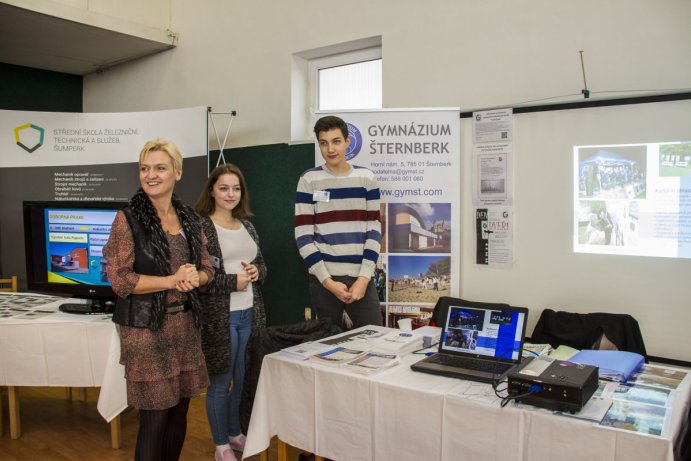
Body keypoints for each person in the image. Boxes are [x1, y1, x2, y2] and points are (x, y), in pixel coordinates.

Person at [103, 139, 214, 461]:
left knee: (179, 413)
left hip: (184, 328)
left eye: (160, 168)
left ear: (177, 172)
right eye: (145, 168)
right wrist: (172, 280)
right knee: (154, 418)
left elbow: (207, 269)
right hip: (145, 331)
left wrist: (197, 277)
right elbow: (120, 280)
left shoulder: (191, 219)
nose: (151, 175)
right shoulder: (127, 220)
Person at [195, 163, 267, 461]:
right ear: (212, 190)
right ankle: (221, 445)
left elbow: (262, 263)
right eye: (223, 188)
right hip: (219, 319)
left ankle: (236, 433)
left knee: (243, 377)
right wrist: (230, 281)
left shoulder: (247, 226)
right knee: (220, 382)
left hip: (250, 313)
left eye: (236, 188)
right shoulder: (201, 228)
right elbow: (199, 278)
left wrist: (256, 271)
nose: (230, 194)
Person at [295, 115, 382, 329]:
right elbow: (303, 236)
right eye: (323, 143)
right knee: (328, 347)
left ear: (347, 142)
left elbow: (374, 230)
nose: (330, 149)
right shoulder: (308, 180)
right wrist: (327, 282)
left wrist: (363, 278)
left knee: (375, 340)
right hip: (324, 281)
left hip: (361, 278)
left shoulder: (367, 178)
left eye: (336, 141)